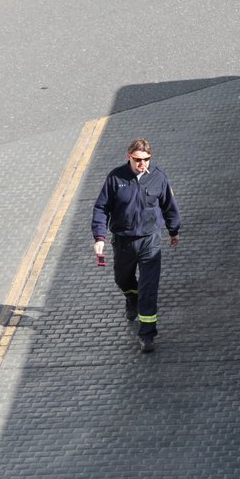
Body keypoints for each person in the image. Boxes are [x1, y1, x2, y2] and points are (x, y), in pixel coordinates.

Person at [91, 138, 181, 353]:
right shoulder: (115, 178)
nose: (143, 164)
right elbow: (101, 208)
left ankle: (147, 334)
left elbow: (169, 206)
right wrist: (99, 238)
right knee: (123, 279)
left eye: (147, 159)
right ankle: (131, 297)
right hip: (123, 242)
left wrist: (173, 230)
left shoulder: (158, 177)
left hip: (150, 241)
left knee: (149, 289)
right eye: (138, 160)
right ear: (128, 157)